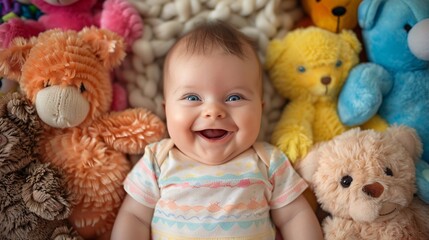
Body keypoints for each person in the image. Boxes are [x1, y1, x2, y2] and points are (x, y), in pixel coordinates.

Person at [111, 21, 323, 240]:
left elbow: (294, 216)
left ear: (260, 109)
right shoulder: (158, 160)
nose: (213, 111)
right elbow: (134, 217)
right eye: (192, 98)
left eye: (234, 97)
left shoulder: (268, 162)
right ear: (167, 110)